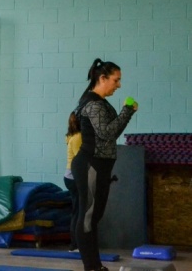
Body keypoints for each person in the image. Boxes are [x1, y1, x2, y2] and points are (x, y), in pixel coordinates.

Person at [71, 58, 137, 271]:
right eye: (116, 80)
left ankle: (95, 266)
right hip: (91, 164)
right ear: (102, 78)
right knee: (88, 217)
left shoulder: (97, 101)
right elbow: (108, 133)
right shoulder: (93, 104)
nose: (119, 85)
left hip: (99, 166)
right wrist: (128, 110)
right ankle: (91, 267)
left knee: (94, 217)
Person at [64, 111, 81, 253]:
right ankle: (74, 245)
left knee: (79, 210)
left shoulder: (72, 136)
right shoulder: (77, 137)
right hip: (73, 177)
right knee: (78, 211)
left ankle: (76, 243)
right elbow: (79, 161)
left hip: (72, 177)